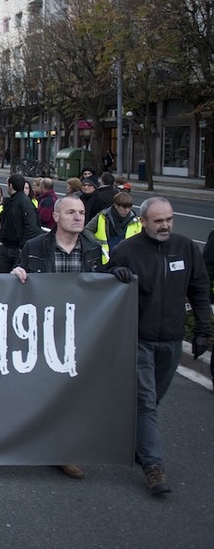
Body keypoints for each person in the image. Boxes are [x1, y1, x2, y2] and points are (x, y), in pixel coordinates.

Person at [104, 197, 212, 495]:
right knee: (146, 401)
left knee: (155, 399)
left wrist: (203, 329)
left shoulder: (186, 247)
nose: (165, 225)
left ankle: (139, 443)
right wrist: (113, 273)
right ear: (143, 222)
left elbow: (200, 288)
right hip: (139, 339)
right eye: (158, 221)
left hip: (172, 340)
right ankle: (153, 466)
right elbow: (99, 282)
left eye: (169, 219)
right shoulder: (127, 250)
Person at [10, 195, 104, 480]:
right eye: (71, 212)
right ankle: (32, 441)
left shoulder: (92, 249)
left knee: (71, 393)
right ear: (57, 217)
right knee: (39, 390)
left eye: (82, 212)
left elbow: (99, 286)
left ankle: (65, 452)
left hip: (79, 332)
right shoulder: (35, 246)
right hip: (43, 331)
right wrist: (17, 273)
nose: (78, 217)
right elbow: (19, 277)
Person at [0, 175, 41, 273]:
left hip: (16, 249)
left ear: (11, 186)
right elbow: (3, 220)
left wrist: (22, 247)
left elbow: (32, 227)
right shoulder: (12, 201)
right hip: (6, 247)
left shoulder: (23, 202)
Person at [83, 191, 141, 264]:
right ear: (116, 205)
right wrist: (97, 243)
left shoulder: (136, 221)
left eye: (129, 207)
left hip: (127, 261)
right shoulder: (103, 216)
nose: (127, 210)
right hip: (105, 259)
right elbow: (87, 230)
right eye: (124, 207)